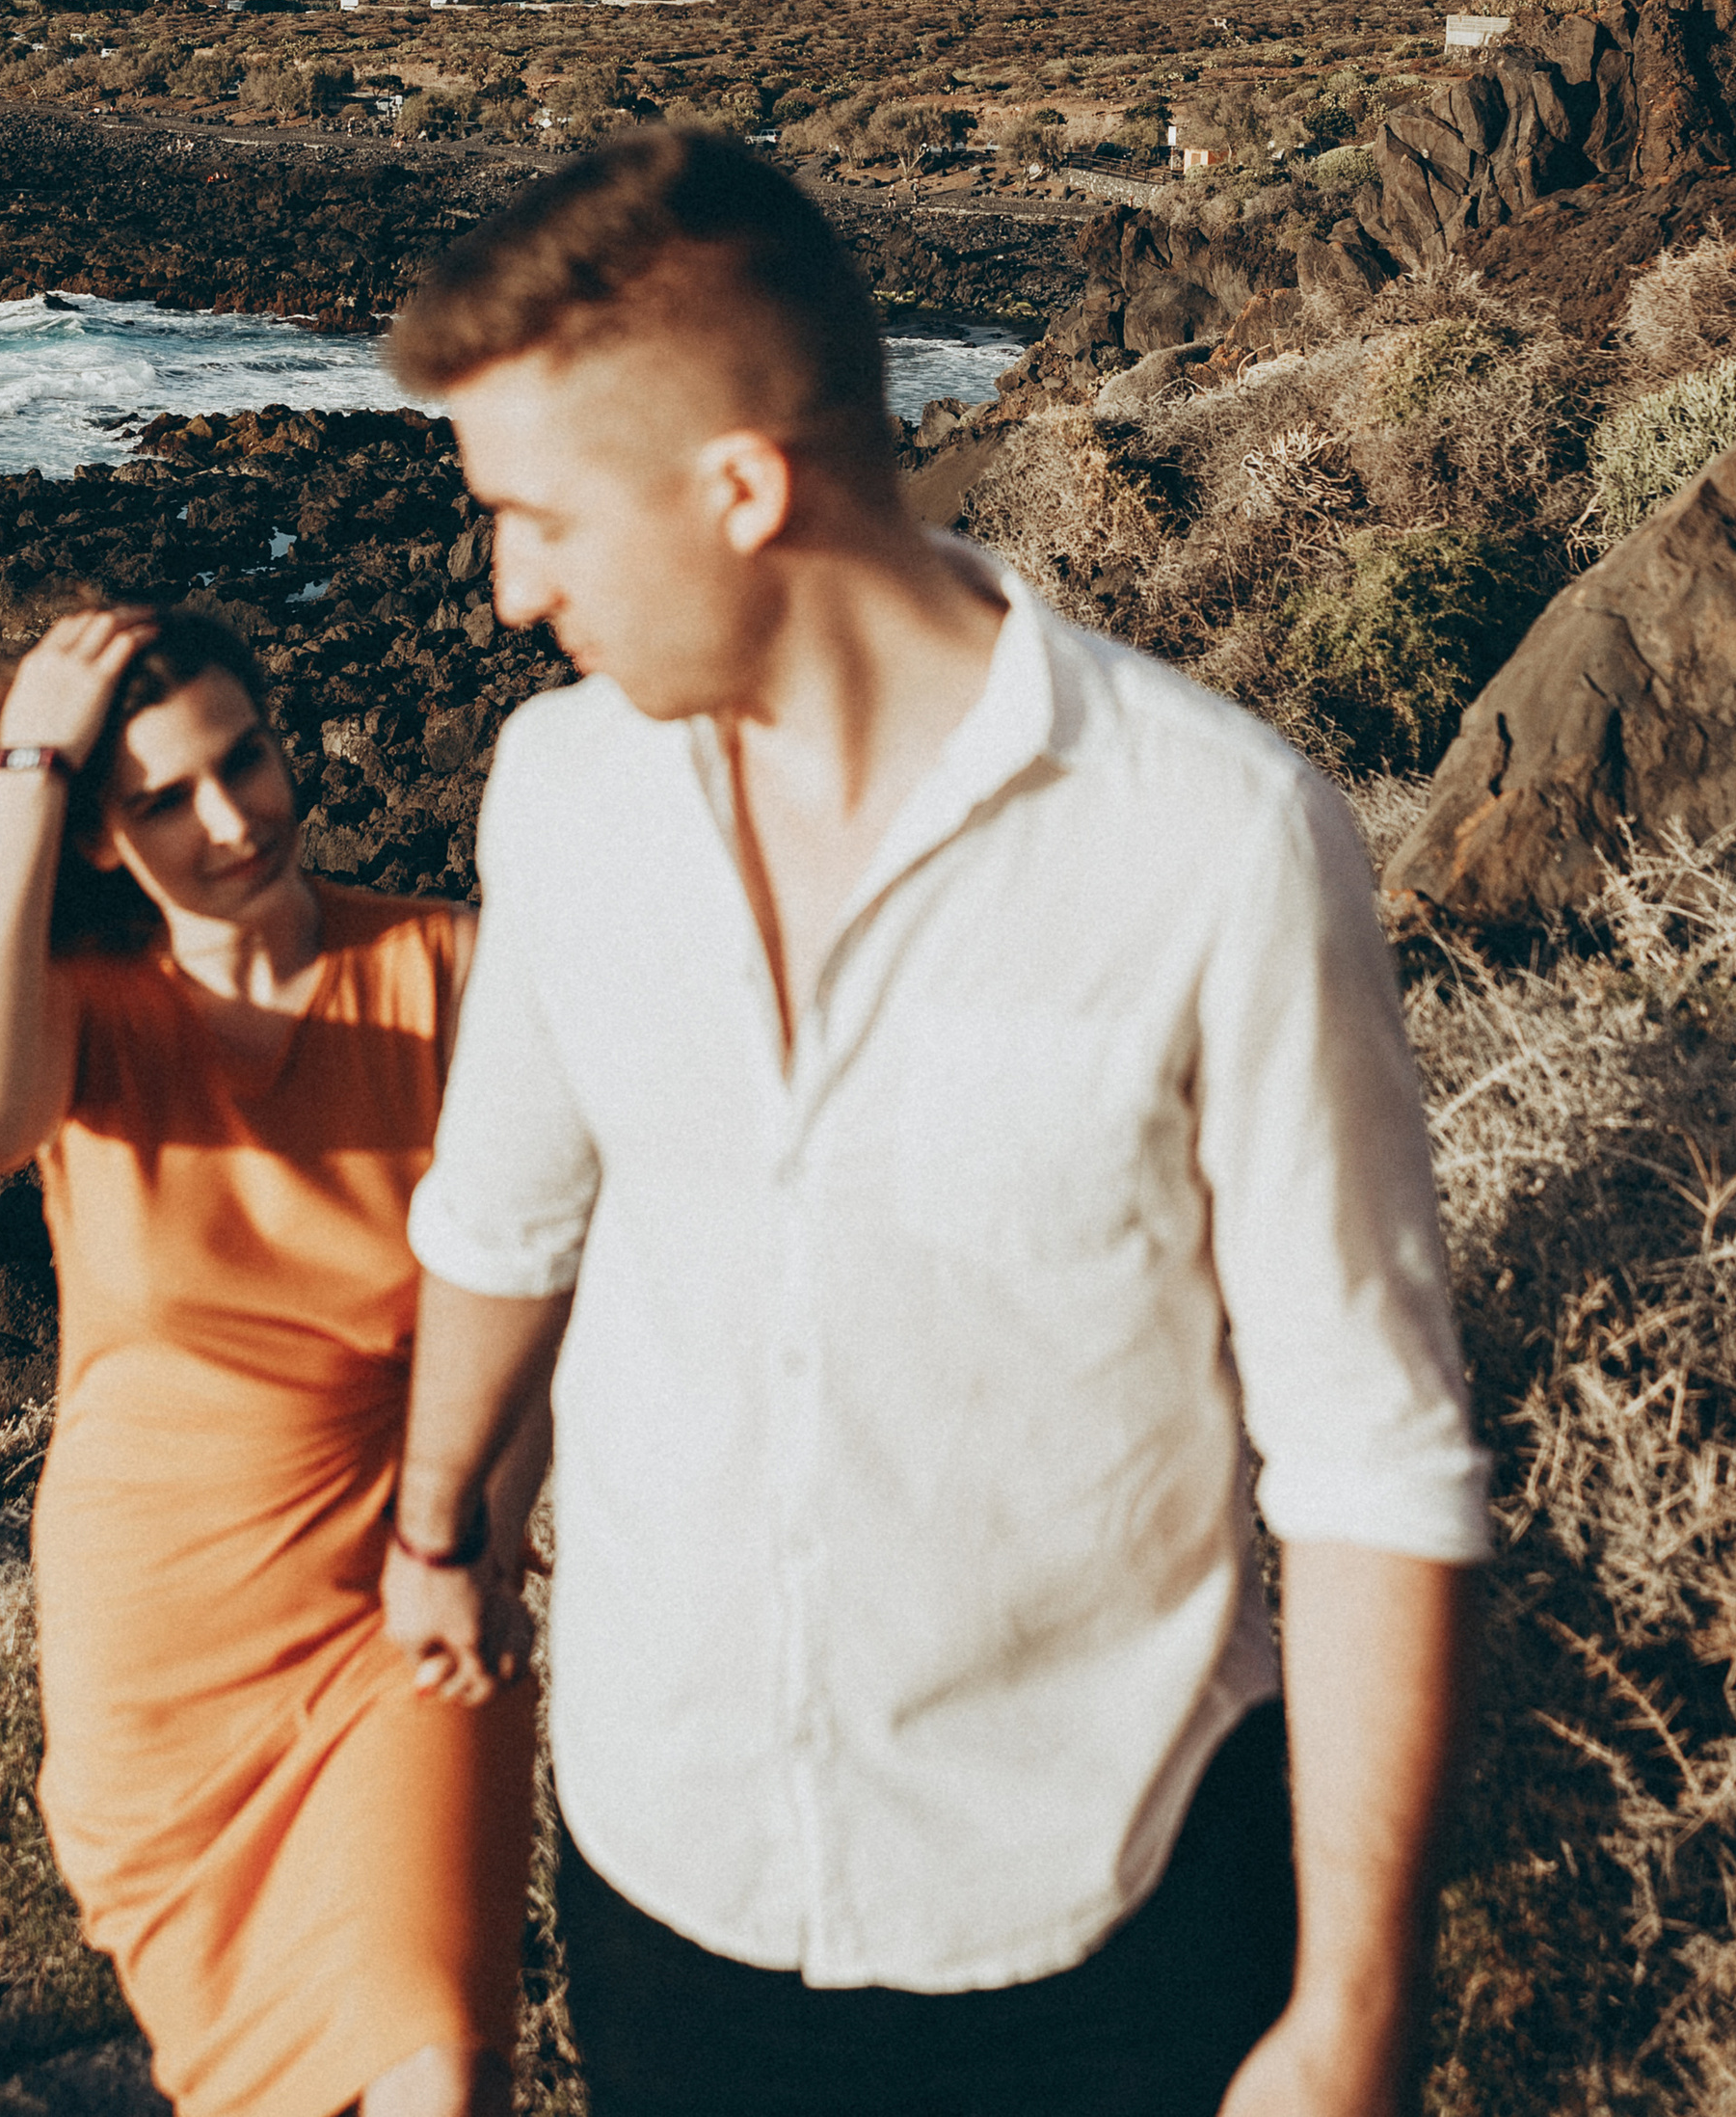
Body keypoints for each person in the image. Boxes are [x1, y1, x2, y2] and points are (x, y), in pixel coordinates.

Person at [377, 131, 1491, 2117]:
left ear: (738, 491)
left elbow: (1369, 1464)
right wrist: (435, 1523)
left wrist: (1346, 2017)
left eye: (534, 515)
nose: (502, 586)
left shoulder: (1206, 841)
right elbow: (504, 1212)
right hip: (667, 1888)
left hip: (1105, 1921)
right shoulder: (559, 792)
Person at [0, 603, 543, 2117]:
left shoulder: (457, 972)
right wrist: (35, 760)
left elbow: (532, 1295)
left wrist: (480, 1531)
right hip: (154, 1648)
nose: (235, 820)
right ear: (99, 840)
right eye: (164, 798)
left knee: (441, 2064)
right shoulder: (83, 1021)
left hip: (400, 1599)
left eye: (245, 760)